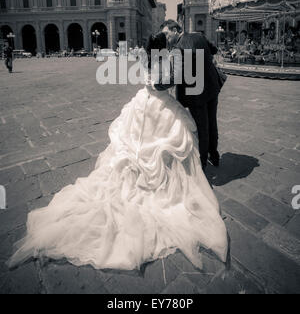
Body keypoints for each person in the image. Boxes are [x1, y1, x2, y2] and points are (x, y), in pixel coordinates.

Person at [7, 32, 228, 272]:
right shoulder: (172, 56)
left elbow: (157, 80)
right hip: (167, 103)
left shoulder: (147, 58)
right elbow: (167, 80)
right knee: (185, 136)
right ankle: (198, 164)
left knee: (137, 146)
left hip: (144, 104)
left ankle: (181, 164)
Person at [161, 20, 221, 171]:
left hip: (196, 92)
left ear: (175, 30)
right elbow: (213, 49)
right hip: (212, 86)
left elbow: (175, 77)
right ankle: (214, 155)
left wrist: (156, 85)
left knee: (202, 127)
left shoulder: (178, 47)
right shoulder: (199, 35)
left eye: (167, 34)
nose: (166, 38)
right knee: (212, 122)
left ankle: (203, 163)